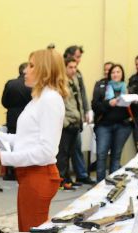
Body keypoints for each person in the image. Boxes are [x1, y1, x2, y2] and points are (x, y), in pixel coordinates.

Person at [0, 47, 66, 232]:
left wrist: (4, 158)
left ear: (44, 70)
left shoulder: (49, 100)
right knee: (29, 232)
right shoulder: (39, 98)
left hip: (39, 175)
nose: (25, 70)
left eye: (31, 65)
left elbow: (46, 151)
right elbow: (25, 139)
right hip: (31, 175)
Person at [92, 63, 133, 180]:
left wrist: (133, 101)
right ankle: (99, 184)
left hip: (123, 126)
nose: (115, 74)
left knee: (116, 156)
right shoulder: (102, 87)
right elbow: (95, 105)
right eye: (113, 72)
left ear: (122, 74)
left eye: (118, 72)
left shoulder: (127, 88)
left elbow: (134, 109)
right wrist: (108, 103)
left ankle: (113, 185)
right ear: (110, 74)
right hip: (104, 126)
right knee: (101, 154)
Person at [64, 45, 93, 187]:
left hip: (77, 117)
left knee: (77, 147)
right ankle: (66, 178)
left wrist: (86, 111)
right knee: (65, 151)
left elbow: (82, 94)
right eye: (77, 57)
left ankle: (81, 175)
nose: (79, 61)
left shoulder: (77, 74)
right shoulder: (61, 76)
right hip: (67, 119)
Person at [57, 57, 85, 190]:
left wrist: (81, 117)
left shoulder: (75, 80)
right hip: (66, 123)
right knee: (62, 153)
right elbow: (59, 104)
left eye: (75, 67)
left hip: (75, 121)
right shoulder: (60, 82)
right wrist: (65, 122)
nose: (74, 70)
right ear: (64, 68)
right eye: (70, 67)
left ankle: (68, 178)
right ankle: (61, 180)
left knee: (69, 153)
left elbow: (78, 100)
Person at [1, 62, 32, 134]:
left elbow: (4, 102)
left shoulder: (10, 83)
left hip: (12, 120)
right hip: (28, 120)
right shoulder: (32, 84)